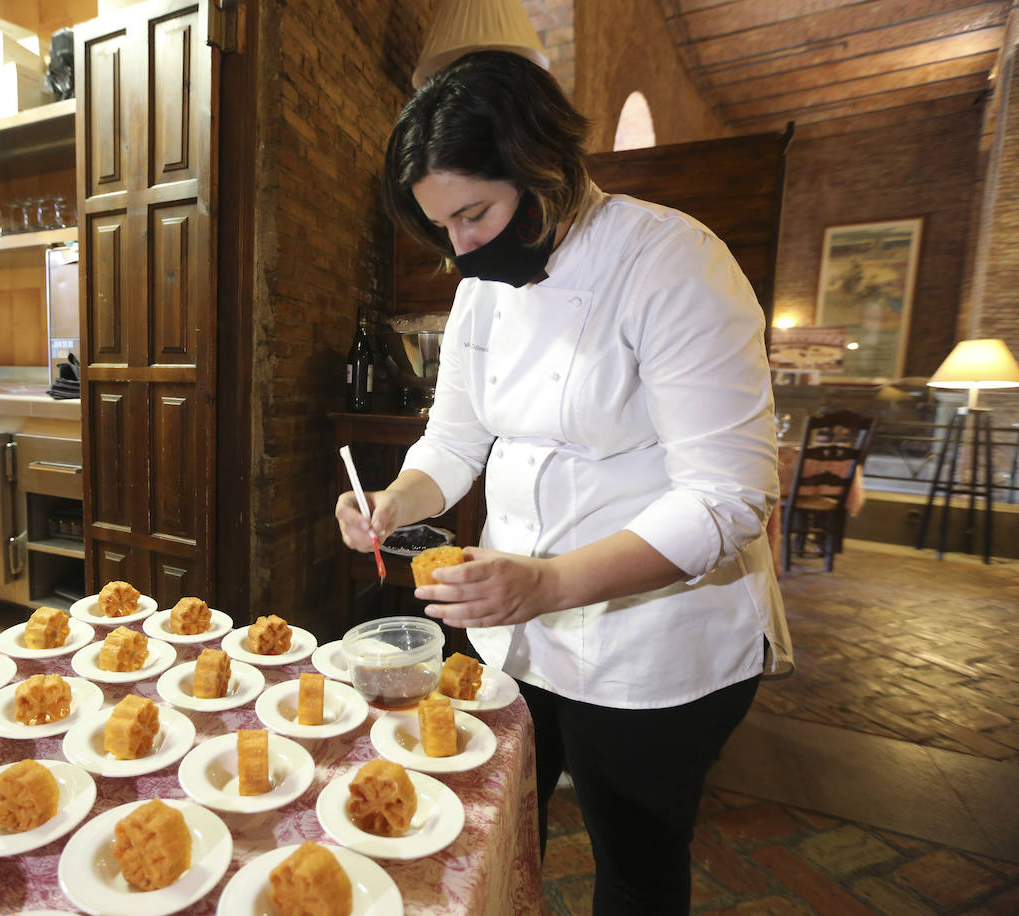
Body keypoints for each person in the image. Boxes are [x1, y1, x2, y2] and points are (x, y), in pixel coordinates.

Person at [335, 50, 791, 916]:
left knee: (635, 869)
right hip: (517, 632)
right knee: (502, 829)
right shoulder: (483, 291)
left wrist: (549, 583)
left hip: (655, 641)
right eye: (443, 230)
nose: (462, 250)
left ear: (542, 165)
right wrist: (399, 499)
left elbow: (728, 498)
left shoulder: (674, 263)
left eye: (474, 214)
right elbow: (455, 439)